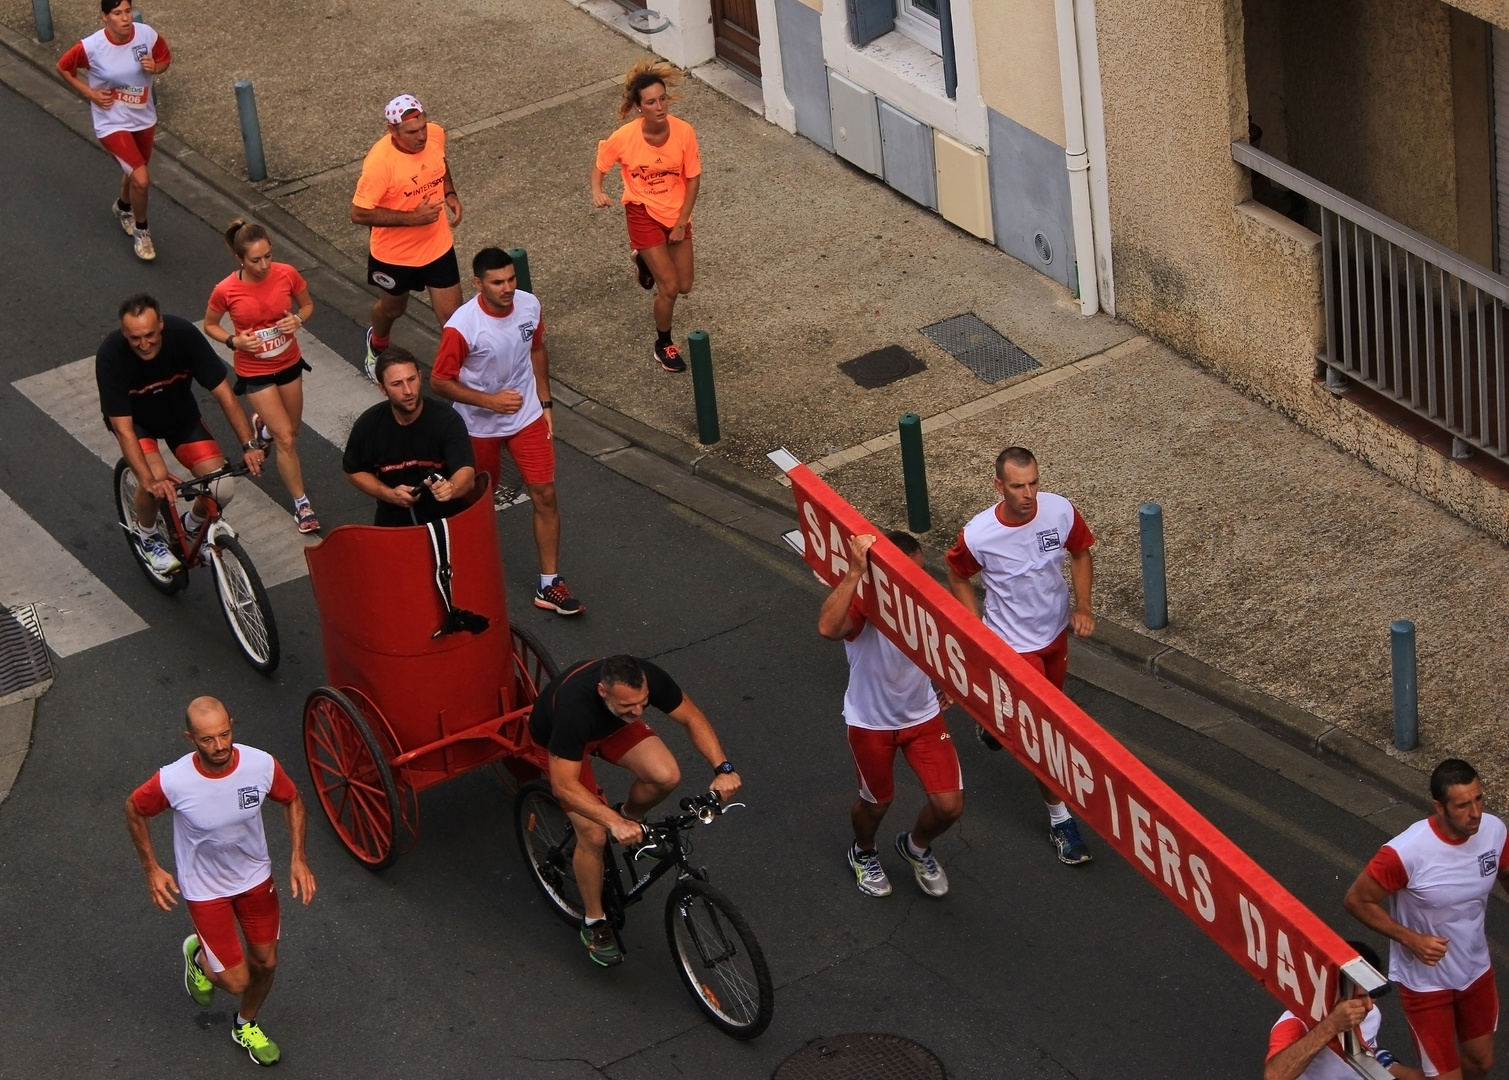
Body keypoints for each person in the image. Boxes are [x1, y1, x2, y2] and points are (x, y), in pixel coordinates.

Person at [124, 696, 316, 1067]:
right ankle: (196, 955)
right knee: (235, 981)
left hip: (255, 878)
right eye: (207, 739)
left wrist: (298, 857)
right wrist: (152, 868)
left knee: (266, 963)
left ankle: (245, 1024)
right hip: (205, 889)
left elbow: (292, 800)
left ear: (232, 724)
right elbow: (134, 807)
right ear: (190, 738)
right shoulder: (174, 780)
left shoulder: (261, 764)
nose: (220, 746)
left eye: (225, 734)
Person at [528, 655, 741, 967]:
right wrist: (611, 822)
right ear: (603, 691)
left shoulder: (644, 683)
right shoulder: (575, 710)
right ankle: (594, 922)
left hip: (611, 728)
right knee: (594, 834)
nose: (639, 711)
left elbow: (691, 717)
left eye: (643, 703)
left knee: (666, 775)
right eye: (629, 706)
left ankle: (633, 818)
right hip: (559, 746)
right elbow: (563, 786)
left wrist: (723, 768)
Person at [945, 445, 1097, 866]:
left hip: (1055, 638)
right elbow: (957, 574)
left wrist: (1083, 607)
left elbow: (1081, 551)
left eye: (1033, 483)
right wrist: (975, 630)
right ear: (999, 486)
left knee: (1029, 721)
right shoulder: (979, 535)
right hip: (1012, 648)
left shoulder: (1060, 510)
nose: (1028, 494)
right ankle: (1061, 821)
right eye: (1017, 486)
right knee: (1046, 735)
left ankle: (995, 721)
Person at [429, 248, 583, 616]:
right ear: (478, 284)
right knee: (477, 502)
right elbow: (438, 381)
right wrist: (489, 401)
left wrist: (545, 403)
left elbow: (538, 349)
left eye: (511, 279)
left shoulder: (530, 305)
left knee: (545, 493)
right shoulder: (462, 327)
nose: (508, 288)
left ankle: (550, 584)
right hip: (478, 425)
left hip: (527, 417)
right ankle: (465, 576)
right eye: (498, 282)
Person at [818, 531, 963, 899]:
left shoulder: (926, 599)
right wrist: (853, 573)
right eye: (906, 574)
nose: (916, 581)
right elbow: (827, 628)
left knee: (949, 807)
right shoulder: (864, 603)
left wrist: (948, 678)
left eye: (919, 572)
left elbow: (943, 640)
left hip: (923, 718)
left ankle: (915, 846)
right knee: (876, 804)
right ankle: (863, 852)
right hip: (871, 724)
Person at [1343, 759, 1509, 1080]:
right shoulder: (1405, 853)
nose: (1475, 813)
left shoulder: (1494, 831)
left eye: (1479, 799)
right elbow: (1356, 900)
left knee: (1480, 1065)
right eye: (1462, 805)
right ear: (1439, 807)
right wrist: (1412, 940)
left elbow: (1504, 873)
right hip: (1425, 984)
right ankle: (1387, 1068)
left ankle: (1385, 1065)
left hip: (1475, 971)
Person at [97, 294, 265, 576]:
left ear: (161, 324)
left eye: (150, 334)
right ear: (124, 333)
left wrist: (250, 445)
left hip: (179, 416)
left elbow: (224, 394)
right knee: (157, 481)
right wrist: (149, 481)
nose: (144, 343)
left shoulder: (183, 335)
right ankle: (148, 535)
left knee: (221, 488)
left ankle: (190, 526)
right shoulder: (111, 355)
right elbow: (123, 430)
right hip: (136, 424)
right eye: (135, 338)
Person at [204, 219, 319, 534]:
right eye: (256, 259)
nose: (265, 264)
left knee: (291, 430)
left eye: (268, 255)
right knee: (286, 438)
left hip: (289, 362)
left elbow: (307, 305)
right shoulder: (226, 290)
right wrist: (234, 340)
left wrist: (297, 320)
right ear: (240, 259)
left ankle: (262, 429)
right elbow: (210, 324)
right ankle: (302, 505)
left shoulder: (287, 274)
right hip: (254, 369)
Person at [591, 61, 701, 373]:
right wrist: (597, 190)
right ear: (639, 107)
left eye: (663, 99)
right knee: (668, 288)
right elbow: (600, 166)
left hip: (675, 212)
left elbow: (693, 179)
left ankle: (642, 260)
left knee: (685, 285)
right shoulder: (624, 137)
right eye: (651, 102)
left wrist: (681, 223)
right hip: (642, 211)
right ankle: (663, 344)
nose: (659, 106)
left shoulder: (684, 133)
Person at [350, 95, 464, 380]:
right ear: (393, 131)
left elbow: (439, 161)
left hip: (437, 246)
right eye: (412, 132)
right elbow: (359, 214)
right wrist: (413, 219)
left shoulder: (435, 135)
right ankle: (376, 344)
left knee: (453, 319)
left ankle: (457, 378)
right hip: (394, 256)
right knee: (393, 309)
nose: (421, 136)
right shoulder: (379, 164)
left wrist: (449, 192)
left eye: (423, 127)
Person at [56, 0, 171, 261]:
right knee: (141, 178)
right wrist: (91, 94)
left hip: (143, 116)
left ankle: (122, 207)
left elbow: (165, 59)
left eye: (128, 11)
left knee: (134, 168)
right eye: (117, 13)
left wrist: (156, 67)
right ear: (104, 17)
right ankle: (142, 231)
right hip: (111, 121)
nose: (125, 18)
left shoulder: (146, 34)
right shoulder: (92, 47)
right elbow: (63, 67)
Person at [342, 347, 475, 526]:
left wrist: (450, 488)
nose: (408, 391)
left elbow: (466, 473)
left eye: (411, 379)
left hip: (448, 522)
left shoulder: (447, 420)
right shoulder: (369, 425)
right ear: (382, 388)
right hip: (394, 525)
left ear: (420, 377)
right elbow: (354, 470)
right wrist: (388, 494)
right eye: (397, 384)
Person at [1264, 940, 1423, 1080]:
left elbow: (1366, 1055)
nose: (1369, 1005)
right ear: (1334, 989)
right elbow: (1275, 1076)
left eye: (1373, 994)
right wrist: (1332, 1025)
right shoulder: (1295, 1021)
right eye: (1360, 996)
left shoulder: (1372, 1013)